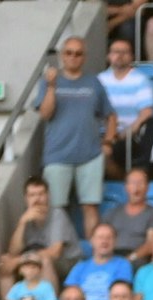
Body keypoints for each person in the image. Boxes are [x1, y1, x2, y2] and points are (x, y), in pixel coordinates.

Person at [39, 38, 112, 238]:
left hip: (90, 155)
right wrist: (51, 86)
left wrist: (108, 142)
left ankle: (94, 251)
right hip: (57, 155)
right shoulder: (49, 81)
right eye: (69, 52)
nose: (73, 57)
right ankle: (57, 250)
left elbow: (110, 115)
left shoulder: (94, 82)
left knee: (90, 206)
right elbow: (45, 114)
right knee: (56, 209)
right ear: (62, 56)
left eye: (78, 53)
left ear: (84, 57)